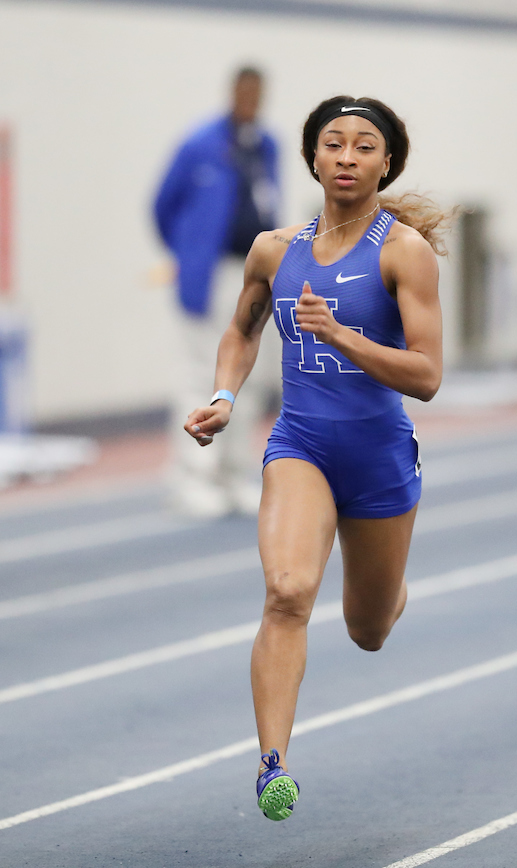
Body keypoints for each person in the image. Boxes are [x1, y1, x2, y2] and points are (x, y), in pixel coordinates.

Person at [181, 95, 449, 820]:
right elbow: (242, 331)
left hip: (379, 455)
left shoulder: (404, 252)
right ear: (313, 156)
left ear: (386, 163)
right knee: (288, 592)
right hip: (299, 444)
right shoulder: (274, 249)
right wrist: (226, 398)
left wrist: (346, 339)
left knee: (368, 630)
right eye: (335, 143)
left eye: (365, 147)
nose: (348, 157)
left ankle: (388, 591)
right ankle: (273, 763)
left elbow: (427, 375)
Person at [154, 66, 282, 517]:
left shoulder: (267, 146)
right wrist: (190, 253)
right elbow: (162, 205)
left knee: (251, 376)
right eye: (243, 92)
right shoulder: (200, 144)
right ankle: (192, 476)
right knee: (201, 374)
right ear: (232, 93)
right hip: (208, 278)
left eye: (257, 93)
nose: (250, 100)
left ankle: (232, 475)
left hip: (254, 274)